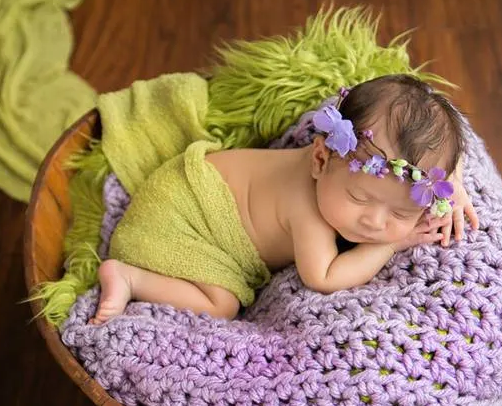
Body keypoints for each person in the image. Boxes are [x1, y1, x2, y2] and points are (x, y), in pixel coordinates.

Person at [92, 74, 479, 324]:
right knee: (222, 306)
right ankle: (129, 277)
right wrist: (393, 242)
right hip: (185, 217)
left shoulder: (350, 164)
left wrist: (455, 181)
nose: (375, 223)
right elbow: (324, 277)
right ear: (319, 158)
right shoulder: (307, 209)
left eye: (400, 212)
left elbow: (433, 145)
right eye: (360, 198)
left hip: (184, 185)